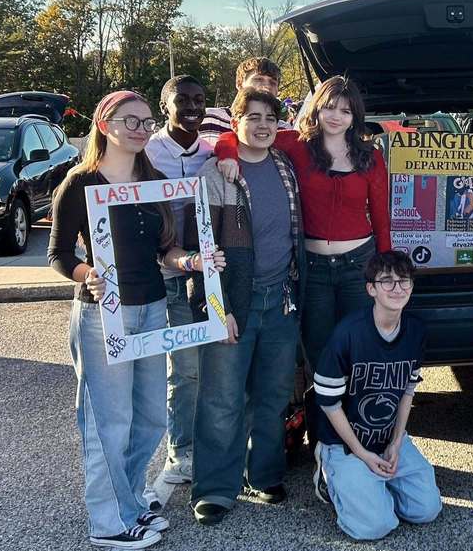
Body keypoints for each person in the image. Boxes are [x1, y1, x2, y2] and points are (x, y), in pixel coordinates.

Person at [48, 90, 225, 550]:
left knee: (148, 416)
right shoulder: (80, 183)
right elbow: (58, 254)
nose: (141, 129)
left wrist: (195, 262)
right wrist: (88, 275)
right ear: (104, 124)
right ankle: (108, 522)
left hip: (151, 307)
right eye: (130, 120)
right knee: (108, 420)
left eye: (146, 122)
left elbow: (166, 251)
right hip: (102, 314)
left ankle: (128, 502)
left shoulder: (155, 180)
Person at [214, 75, 390, 370]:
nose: (336, 116)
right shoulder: (295, 144)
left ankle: (357, 401)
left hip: (359, 266)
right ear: (317, 108)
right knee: (319, 351)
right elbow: (235, 135)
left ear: (355, 117)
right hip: (313, 268)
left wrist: (385, 269)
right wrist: (227, 155)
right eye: (329, 107)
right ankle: (324, 401)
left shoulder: (370, 156)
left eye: (345, 111)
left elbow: (382, 219)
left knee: (360, 347)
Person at [191, 87, 306, 525]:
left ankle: (264, 474)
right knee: (222, 398)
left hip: (281, 299)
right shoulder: (214, 174)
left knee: (273, 394)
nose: (262, 125)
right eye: (252, 117)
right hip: (234, 302)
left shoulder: (284, 166)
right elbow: (200, 250)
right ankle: (215, 489)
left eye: (270, 118)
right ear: (235, 121)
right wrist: (217, 308)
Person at [312, 251, 442, 540]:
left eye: (404, 281)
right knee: (375, 526)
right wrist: (362, 454)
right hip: (346, 444)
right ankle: (331, 475)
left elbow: (407, 391)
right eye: (387, 281)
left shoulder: (416, 331)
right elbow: (329, 405)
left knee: (426, 509)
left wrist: (396, 442)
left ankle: (372, 487)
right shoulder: (347, 334)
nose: (397, 288)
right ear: (371, 288)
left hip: (385, 438)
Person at [145, 74, 210, 486]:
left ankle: (206, 442)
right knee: (183, 369)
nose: (192, 107)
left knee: (208, 365)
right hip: (164, 276)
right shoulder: (146, 153)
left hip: (206, 276)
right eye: (182, 100)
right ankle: (181, 449)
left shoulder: (212, 152)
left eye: (199, 100)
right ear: (165, 106)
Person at [199, 56, 283, 142]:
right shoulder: (210, 119)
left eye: (273, 82)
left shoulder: (283, 130)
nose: (267, 86)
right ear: (239, 84)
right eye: (259, 79)